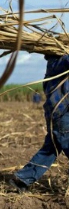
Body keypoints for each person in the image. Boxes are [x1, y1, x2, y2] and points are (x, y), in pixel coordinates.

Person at [10, 53, 69, 193]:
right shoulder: (58, 64)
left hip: (57, 117)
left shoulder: (55, 68)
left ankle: (23, 179)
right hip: (63, 117)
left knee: (49, 150)